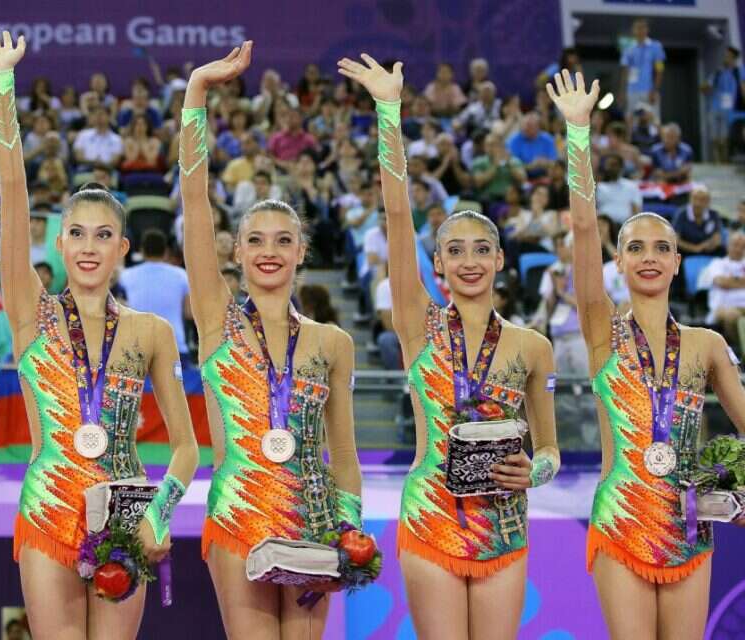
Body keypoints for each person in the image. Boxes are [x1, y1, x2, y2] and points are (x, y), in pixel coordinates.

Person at [0, 29, 198, 639]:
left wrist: (158, 512)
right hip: (49, 507)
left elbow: (186, 448)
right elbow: (12, 197)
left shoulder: (150, 332)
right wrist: (2, 87)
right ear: (59, 242)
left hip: (126, 511)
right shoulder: (32, 314)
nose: (89, 246)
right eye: (76, 233)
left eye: (103, 235)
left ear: (123, 248)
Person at [338, 52, 559, 639]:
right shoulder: (418, 324)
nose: (469, 261)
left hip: (504, 523)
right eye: (454, 251)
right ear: (436, 264)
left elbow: (550, 451)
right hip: (431, 514)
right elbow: (396, 215)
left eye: (481, 249)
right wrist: (389, 112)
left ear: (500, 259)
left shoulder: (533, 346)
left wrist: (534, 471)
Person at [547, 67, 745, 640]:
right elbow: (585, 228)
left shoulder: (707, 345)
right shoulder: (602, 330)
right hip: (621, 519)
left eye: (662, 248)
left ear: (679, 263)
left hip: (688, 524)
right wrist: (578, 135)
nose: (650, 257)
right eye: (636, 248)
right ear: (620, 261)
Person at [183, 42, 363, 638]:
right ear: (236, 252)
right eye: (256, 240)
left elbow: (345, 455)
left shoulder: (333, 343)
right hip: (239, 515)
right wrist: (196, 94)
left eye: (283, 240)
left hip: (314, 517)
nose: (269, 251)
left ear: (302, 252)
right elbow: (195, 203)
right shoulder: (218, 321)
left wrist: (349, 528)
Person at [119, 229, 192, 360]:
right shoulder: (181, 275)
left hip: (137, 347)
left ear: (142, 251)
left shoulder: (126, 276)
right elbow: (189, 312)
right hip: (174, 345)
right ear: (166, 251)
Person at [701, 46, 745, 162]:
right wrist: (704, 87)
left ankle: (725, 162)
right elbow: (706, 88)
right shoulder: (718, 72)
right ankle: (717, 162)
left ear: (734, 58)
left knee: (725, 138)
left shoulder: (739, 71)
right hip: (715, 107)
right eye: (725, 56)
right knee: (715, 138)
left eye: (728, 56)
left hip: (730, 109)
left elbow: (743, 87)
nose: (726, 58)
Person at [705, 231, 745, 354]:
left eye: (742, 246)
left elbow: (727, 282)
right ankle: (741, 351)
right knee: (732, 316)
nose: (738, 249)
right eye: (735, 245)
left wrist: (732, 281)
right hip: (724, 307)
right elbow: (721, 282)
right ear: (728, 246)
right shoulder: (717, 263)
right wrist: (740, 281)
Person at [620, 19, 665, 122]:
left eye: (643, 27)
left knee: (653, 120)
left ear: (647, 30)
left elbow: (659, 70)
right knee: (631, 121)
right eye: (637, 28)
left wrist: (654, 90)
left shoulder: (656, 46)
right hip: (631, 90)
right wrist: (623, 92)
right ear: (633, 30)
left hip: (649, 91)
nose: (640, 30)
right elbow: (625, 71)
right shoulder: (628, 48)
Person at [673, 187, 723, 257]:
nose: (698, 203)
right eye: (695, 198)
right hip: (685, 251)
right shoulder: (681, 214)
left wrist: (704, 246)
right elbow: (676, 240)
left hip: (706, 249)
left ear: (708, 202)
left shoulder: (713, 214)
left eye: (702, 200)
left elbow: (717, 238)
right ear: (690, 199)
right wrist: (694, 248)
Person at [596, 153, 642, 225]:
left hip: (625, 225)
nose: (610, 168)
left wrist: (633, 226)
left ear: (621, 167)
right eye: (608, 165)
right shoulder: (599, 187)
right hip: (604, 225)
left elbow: (636, 210)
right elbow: (593, 209)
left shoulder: (631, 186)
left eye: (614, 165)